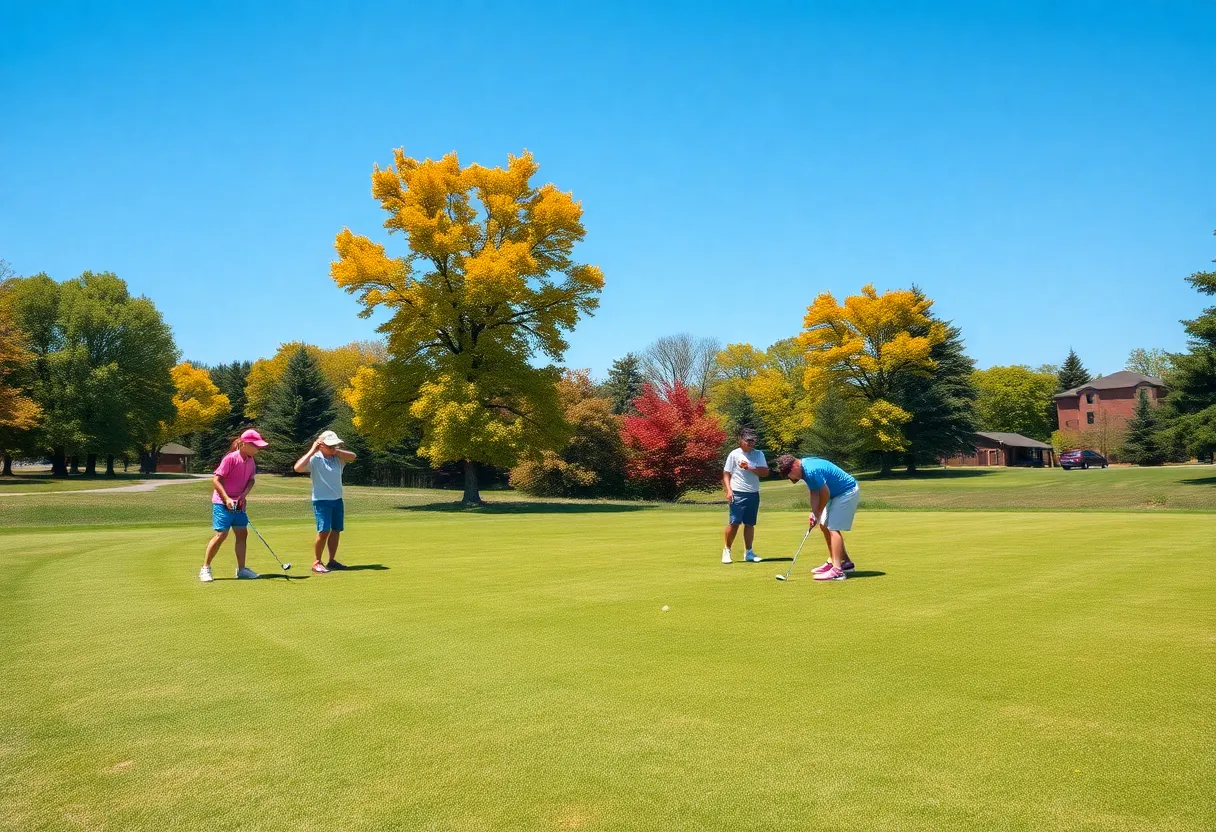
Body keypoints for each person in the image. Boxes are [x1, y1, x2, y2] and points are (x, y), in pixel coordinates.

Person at [774, 454, 859, 581]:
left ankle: (837, 571)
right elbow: (814, 492)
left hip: (846, 491)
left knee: (833, 528)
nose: (791, 478)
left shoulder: (811, 470)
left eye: (789, 474)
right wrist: (814, 513)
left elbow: (825, 493)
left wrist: (818, 511)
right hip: (836, 494)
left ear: (795, 466)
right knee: (824, 525)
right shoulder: (804, 471)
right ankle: (844, 562)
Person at [200, 429, 269, 582]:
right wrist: (227, 499)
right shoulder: (230, 459)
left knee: (242, 534)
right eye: (255, 445)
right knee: (221, 535)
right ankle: (205, 568)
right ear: (244, 444)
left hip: (239, 503)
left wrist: (243, 495)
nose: (258, 449)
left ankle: (242, 569)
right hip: (222, 503)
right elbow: (216, 480)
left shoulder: (250, 460)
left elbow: (251, 480)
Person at [294, 430, 357, 574]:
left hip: (337, 500)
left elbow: (353, 456)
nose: (333, 448)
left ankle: (332, 560)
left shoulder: (338, 458)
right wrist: (313, 449)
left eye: (335, 445)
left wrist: (335, 450)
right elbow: (297, 468)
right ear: (321, 445)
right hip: (321, 501)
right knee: (324, 531)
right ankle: (317, 562)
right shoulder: (315, 459)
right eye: (329, 446)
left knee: (336, 530)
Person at [721, 428, 769, 563]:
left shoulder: (758, 454)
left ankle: (749, 552)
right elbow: (726, 473)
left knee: (750, 524)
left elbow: (764, 472)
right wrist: (729, 490)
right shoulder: (734, 454)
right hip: (737, 492)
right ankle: (727, 550)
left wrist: (749, 467)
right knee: (734, 522)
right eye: (748, 440)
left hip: (753, 493)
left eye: (753, 440)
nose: (751, 443)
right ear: (741, 440)